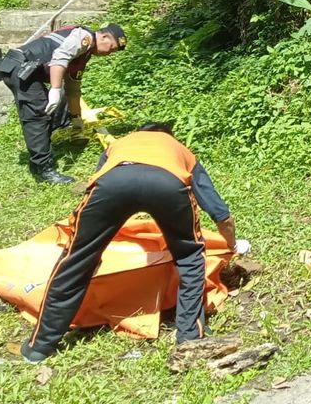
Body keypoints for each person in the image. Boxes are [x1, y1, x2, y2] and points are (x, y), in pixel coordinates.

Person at [19, 122, 248, 363]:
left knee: (76, 259)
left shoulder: (118, 144)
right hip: (168, 183)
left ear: (141, 132)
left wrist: (92, 248)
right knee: (190, 257)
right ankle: (191, 337)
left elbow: (98, 184)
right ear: (167, 136)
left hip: (114, 181)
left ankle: (39, 347)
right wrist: (231, 243)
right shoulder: (180, 149)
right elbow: (219, 212)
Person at [0, 23, 126, 184]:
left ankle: (40, 157)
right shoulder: (84, 38)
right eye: (112, 48)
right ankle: (44, 169)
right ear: (104, 36)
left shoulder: (83, 54)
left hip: (25, 70)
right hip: (21, 67)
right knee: (37, 117)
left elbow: (73, 89)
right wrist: (55, 89)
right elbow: (60, 56)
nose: (109, 53)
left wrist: (76, 119)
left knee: (50, 110)